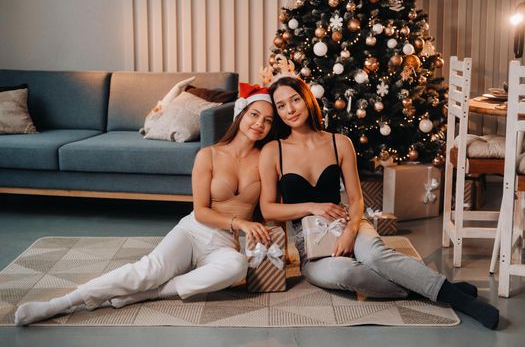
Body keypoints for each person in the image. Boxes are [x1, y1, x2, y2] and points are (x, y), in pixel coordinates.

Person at [15, 83, 275, 326]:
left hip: (224, 244)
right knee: (151, 270)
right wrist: (239, 222)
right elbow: (201, 212)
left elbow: (270, 207)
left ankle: (151, 294)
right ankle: (59, 304)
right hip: (195, 231)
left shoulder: (266, 159)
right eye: (254, 115)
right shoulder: (209, 154)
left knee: (236, 266)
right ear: (241, 114)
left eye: (267, 120)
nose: (259, 124)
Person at [258, 76, 499, 330]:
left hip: (348, 221)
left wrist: (351, 231)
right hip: (310, 243)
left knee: (373, 254)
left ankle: (460, 301)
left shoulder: (339, 143)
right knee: (346, 272)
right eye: (281, 105)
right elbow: (268, 208)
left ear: (307, 99)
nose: (290, 110)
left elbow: (356, 198)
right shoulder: (273, 151)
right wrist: (312, 207)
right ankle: (440, 289)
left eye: (295, 100)